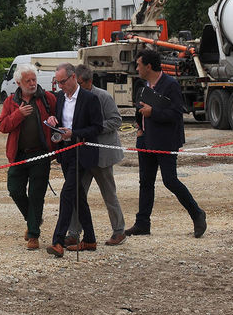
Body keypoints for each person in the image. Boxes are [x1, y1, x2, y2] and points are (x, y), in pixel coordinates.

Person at [125, 49, 207, 238]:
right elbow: (141, 109)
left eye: (138, 65)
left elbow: (176, 114)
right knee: (145, 182)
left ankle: (197, 214)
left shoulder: (170, 85)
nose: (136, 68)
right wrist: (139, 125)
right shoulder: (143, 84)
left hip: (165, 140)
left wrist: (153, 113)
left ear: (148, 66)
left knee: (170, 181)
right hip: (145, 139)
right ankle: (142, 223)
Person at [45, 63, 104, 256]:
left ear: (73, 78)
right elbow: (59, 120)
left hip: (82, 152)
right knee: (78, 197)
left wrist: (74, 133)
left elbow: (97, 128)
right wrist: (54, 121)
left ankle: (58, 241)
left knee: (67, 194)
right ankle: (90, 239)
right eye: (58, 82)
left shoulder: (90, 98)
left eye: (63, 82)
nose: (60, 86)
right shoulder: (60, 97)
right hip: (66, 152)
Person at [0, 64, 57, 250]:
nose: (32, 84)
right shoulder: (11, 102)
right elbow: (2, 126)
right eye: (28, 81)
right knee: (15, 190)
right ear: (18, 83)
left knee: (37, 194)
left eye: (34, 80)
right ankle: (34, 220)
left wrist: (56, 121)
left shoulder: (48, 98)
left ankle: (33, 235)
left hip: (41, 153)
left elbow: (59, 118)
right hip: (18, 155)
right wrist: (18, 115)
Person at [68, 64, 127, 246]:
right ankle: (73, 233)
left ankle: (119, 231)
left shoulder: (103, 96)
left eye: (79, 83)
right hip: (84, 154)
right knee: (78, 194)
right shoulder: (75, 98)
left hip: (102, 155)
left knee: (109, 194)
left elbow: (116, 120)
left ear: (88, 81)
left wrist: (95, 128)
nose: (76, 86)